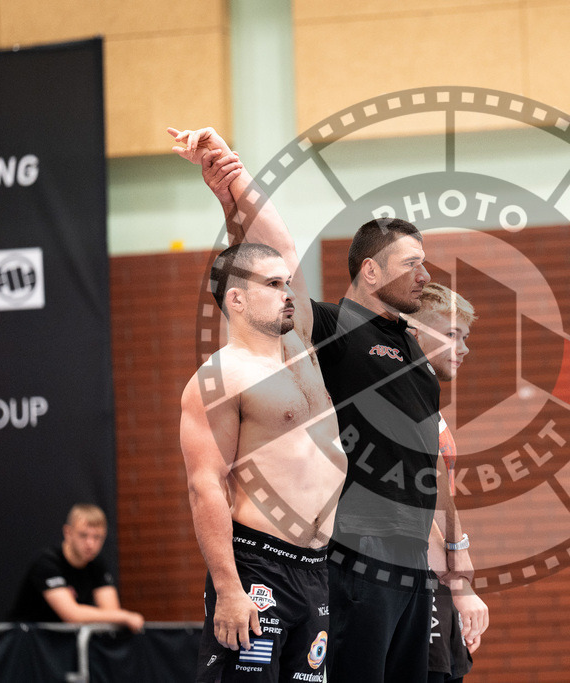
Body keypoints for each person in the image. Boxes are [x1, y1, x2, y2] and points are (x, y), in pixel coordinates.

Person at [169, 127, 485, 683]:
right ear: (370, 270)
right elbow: (273, 256)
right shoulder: (328, 332)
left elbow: (435, 474)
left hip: (389, 565)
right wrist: (234, 185)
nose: (425, 274)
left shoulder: (416, 360)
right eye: (412, 262)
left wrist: (458, 576)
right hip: (339, 557)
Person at [178, 202, 347, 677]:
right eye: (273, 285)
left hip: (314, 568)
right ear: (236, 299)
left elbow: (283, 247)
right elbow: (205, 485)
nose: (287, 292)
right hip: (258, 568)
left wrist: (234, 177)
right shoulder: (219, 378)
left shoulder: (301, 353)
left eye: (287, 283)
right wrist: (228, 587)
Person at [405, 283, 489, 683]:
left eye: (465, 336)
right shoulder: (400, 401)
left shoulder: (426, 401)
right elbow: (420, 500)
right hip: (418, 572)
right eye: (451, 334)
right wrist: (459, 579)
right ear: (414, 333)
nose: (463, 347)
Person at [8, 503, 144, 632]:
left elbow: (111, 611)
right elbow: (72, 615)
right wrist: (125, 616)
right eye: (83, 535)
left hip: (65, 647)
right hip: (29, 644)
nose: (90, 543)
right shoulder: (47, 563)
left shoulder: (97, 564)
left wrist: (117, 616)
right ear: (68, 532)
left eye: (97, 537)